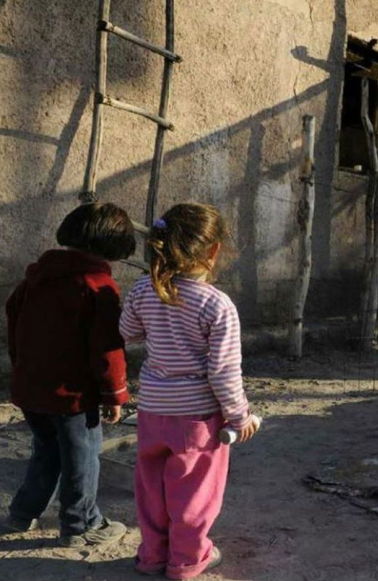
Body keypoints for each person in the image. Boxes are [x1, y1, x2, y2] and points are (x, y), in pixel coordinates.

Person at [119, 202, 258, 580]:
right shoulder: (217, 304)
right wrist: (240, 417)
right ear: (213, 250)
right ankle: (186, 560)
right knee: (194, 492)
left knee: (151, 488)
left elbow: (127, 332)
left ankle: (152, 556)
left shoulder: (143, 290)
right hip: (197, 418)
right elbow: (224, 372)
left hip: (152, 410)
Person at [3, 202, 135, 547]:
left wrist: (22, 370)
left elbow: (14, 328)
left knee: (46, 451)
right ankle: (81, 524)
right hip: (74, 397)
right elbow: (107, 349)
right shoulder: (98, 286)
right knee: (82, 458)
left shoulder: (35, 278)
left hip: (32, 388)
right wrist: (115, 394)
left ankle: (22, 514)